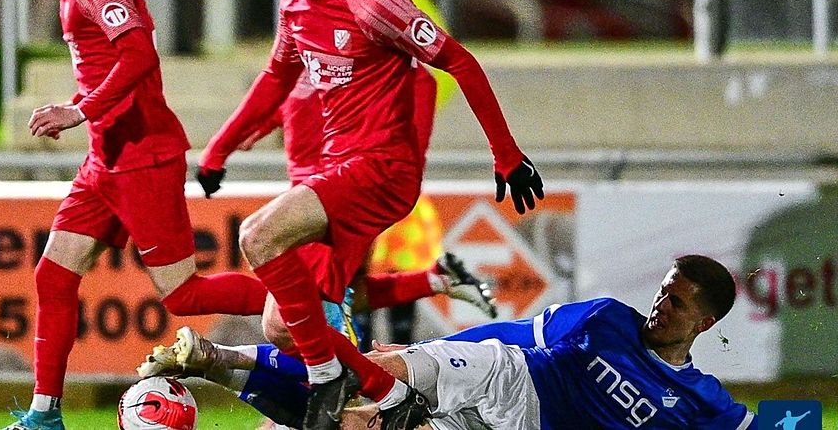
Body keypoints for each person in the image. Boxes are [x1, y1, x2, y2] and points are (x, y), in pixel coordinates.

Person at [180, 0, 544, 428]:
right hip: (336, 172)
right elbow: (277, 78)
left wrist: (507, 156)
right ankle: (385, 392)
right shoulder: (297, 5)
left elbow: (460, 62)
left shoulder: (375, 1)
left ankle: (333, 378)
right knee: (281, 325)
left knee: (257, 237)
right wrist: (217, 150)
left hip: (380, 172)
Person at [9, 0, 269, 427]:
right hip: (105, 160)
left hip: (141, 156)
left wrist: (79, 109)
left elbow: (138, 53)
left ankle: (319, 302)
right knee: (53, 277)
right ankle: (44, 415)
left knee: (185, 294)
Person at [165, 255, 756, 430]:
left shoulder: (702, 401)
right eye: (662, 290)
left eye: (676, 303)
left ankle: (232, 373)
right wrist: (429, 364)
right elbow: (517, 336)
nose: (660, 305)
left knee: (354, 427)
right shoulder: (607, 319)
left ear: (702, 323)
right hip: (508, 377)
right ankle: (220, 360)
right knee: (367, 379)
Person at [344, 0, 463, 347]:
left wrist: (408, 122)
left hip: (391, 157)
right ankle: (351, 367)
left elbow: (443, 69)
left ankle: (400, 360)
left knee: (399, 257)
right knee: (348, 266)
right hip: (342, 160)